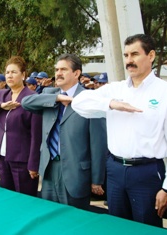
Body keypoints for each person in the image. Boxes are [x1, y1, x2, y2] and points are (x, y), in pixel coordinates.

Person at [72, 34, 167, 227]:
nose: (129, 61)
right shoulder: (115, 89)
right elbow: (78, 103)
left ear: (151, 56)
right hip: (115, 170)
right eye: (126, 55)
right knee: (117, 227)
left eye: (135, 54)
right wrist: (111, 104)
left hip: (147, 172)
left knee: (146, 228)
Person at [22, 53, 107, 209]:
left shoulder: (89, 98)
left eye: (63, 69)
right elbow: (26, 103)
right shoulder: (50, 95)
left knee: (74, 222)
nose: (58, 73)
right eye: (56, 69)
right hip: (49, 169)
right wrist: (58, 99)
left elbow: (98, 143)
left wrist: (97, 179)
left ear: (76, 73)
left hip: (76, 173)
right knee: (49, 217)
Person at [0, 56, 42, 197]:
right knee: (8, 197)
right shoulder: (2, 95)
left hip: (23, 159)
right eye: (7, 72)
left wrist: (33, 164)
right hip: (3, 157)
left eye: (14, 72)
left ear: (23, 75)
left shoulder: (32, 97)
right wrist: (0, 106)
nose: (9, 75)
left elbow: (36, 135)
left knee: (25, 198)